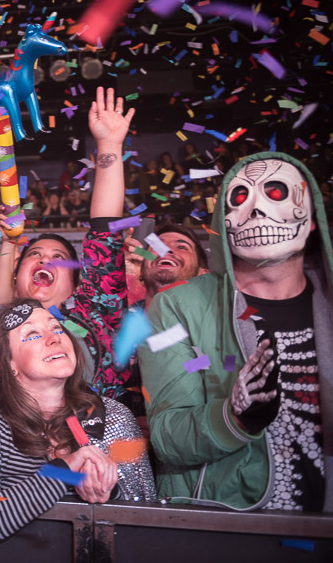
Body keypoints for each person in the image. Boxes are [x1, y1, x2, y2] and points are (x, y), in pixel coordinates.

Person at [138, 152, 333, 511]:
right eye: (240, 197)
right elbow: (167, 433)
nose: (255, 211)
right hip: (232, 521)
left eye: (275, 192)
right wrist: (233, 416)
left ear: (310, 216)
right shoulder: (174, 308)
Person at [0, 88, 135, 400]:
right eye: (34, 254)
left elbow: (105, 231)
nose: (45, 260)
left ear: (76, 284)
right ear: (17, 277)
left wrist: (110, 145)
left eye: (59, 257)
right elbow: (0, 307)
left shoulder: (95, 315)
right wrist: (9, 243)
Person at [0, 300, 155, 550]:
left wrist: (107, 490)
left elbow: (147, 524)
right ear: (6, 363)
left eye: (57, 328)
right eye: (32, 333)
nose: (54, 338)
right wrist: (64, 471)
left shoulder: (112, 414)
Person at [124, 222, 209, 309]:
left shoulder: (215, 316)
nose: (166, 250)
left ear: (202, 275)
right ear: (141, 272)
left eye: (181, 247)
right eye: (157, 247)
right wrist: (119, 275)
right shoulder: (120, 314)